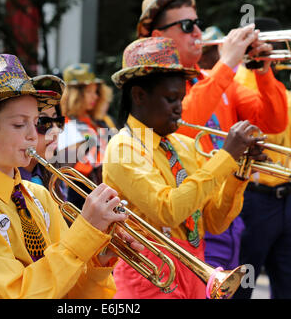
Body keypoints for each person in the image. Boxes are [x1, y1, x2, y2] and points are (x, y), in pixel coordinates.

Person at [0, 54, 143, 299]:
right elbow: (18, 295)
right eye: (19, 124)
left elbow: (69, 293)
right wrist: (85, 232)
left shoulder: (39, 196)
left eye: (35, 122)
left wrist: (98, 260)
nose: (33, 135)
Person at [102, 36, 267, 299]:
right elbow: (169, 211)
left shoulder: (186, 145)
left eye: (182, 97)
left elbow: (214, 222)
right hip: (147, 278)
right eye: (171, 99)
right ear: (139, 95)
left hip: (194, 273)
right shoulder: (124, 147)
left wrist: (239, 170)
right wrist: (225, 156)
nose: (180, 108)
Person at [136, 0, 288, 272]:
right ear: (159, 36)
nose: (197, 32)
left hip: (226, 217)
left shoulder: (212, 78)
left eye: (197, 23)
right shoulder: (155, 92)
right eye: (186, 25)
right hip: (184, 225)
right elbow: (183, 125)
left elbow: (273, 121)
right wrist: (228, 62)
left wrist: (264, 72)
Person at [233, 17, 291, 299]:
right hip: (252, 199)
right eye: (276, 45)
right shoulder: (240, 84)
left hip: (285, 198)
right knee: (242, 287)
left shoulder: (278, 87)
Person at [60, 63, 117, 209]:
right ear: (75, 94)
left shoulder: (103, 121)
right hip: (82, 198)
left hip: (109, 191)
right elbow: (68, 172)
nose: (96, 96)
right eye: (89, 91)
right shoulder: (65, 125)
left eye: (96, 91)